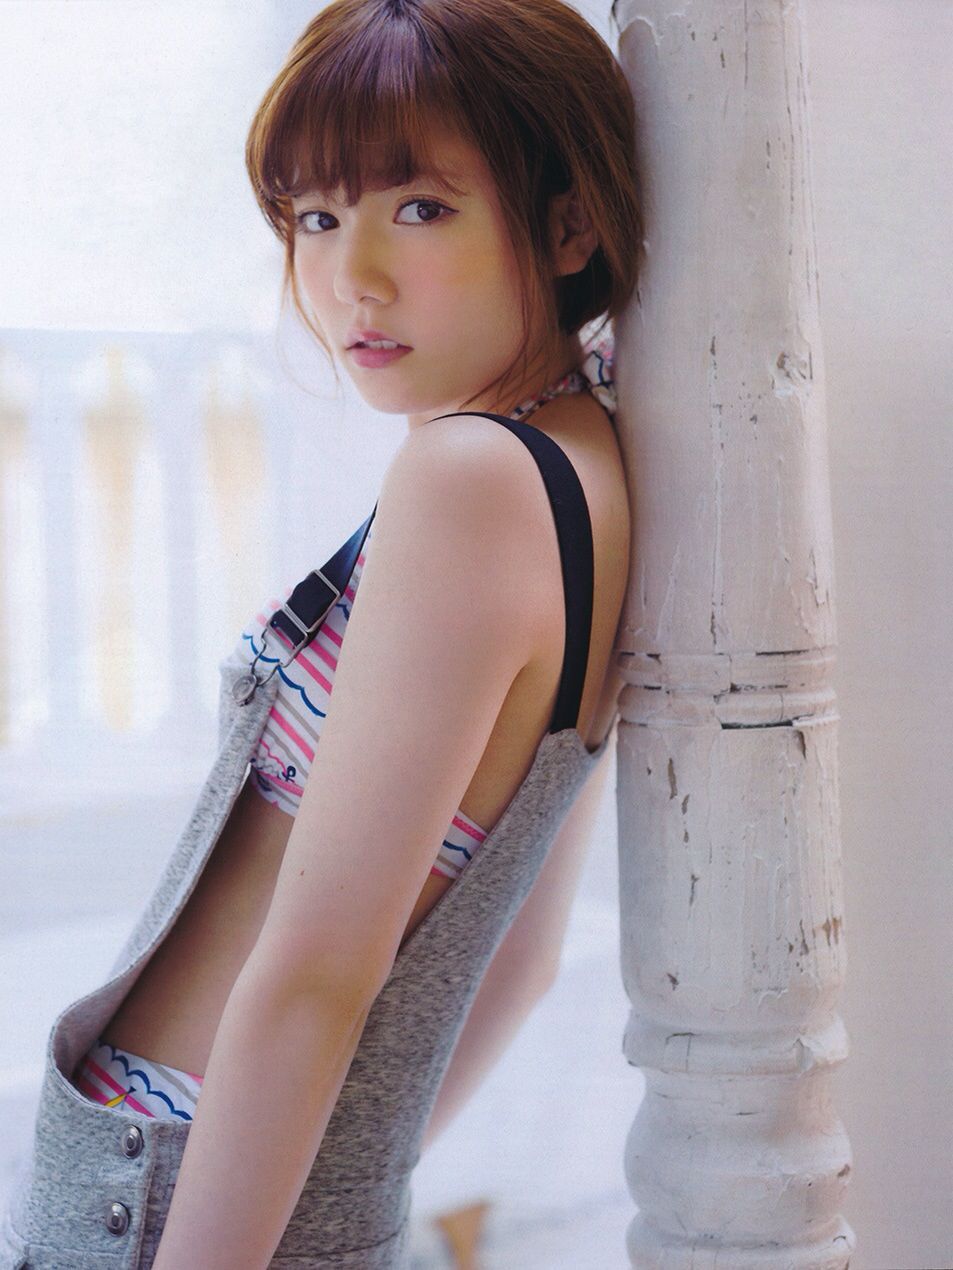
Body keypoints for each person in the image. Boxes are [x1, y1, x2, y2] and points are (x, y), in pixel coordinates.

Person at [0, 0, 641, 1265]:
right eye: (314, 217)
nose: (353, 277)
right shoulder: (587, 465)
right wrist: (338, 1202)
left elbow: (316, 969)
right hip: (250, 1203)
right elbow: (518, 953)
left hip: (165, 1205)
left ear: (569, 223)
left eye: (420, 207)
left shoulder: (467, 480)